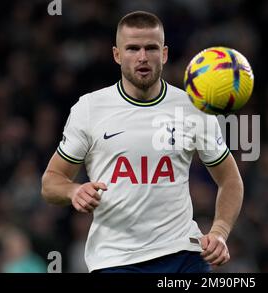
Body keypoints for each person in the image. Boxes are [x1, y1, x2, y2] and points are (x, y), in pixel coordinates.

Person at [41, 11, 244, 273]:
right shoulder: (90, 108)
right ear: (116, 54)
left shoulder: (193, 108)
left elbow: (230, 180)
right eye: (133, 48)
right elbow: (50, 182)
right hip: (116, 260)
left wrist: (219, 232)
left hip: (183, 254)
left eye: (151, 48)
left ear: (165, 53)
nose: (142, 57)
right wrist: (73, 191)